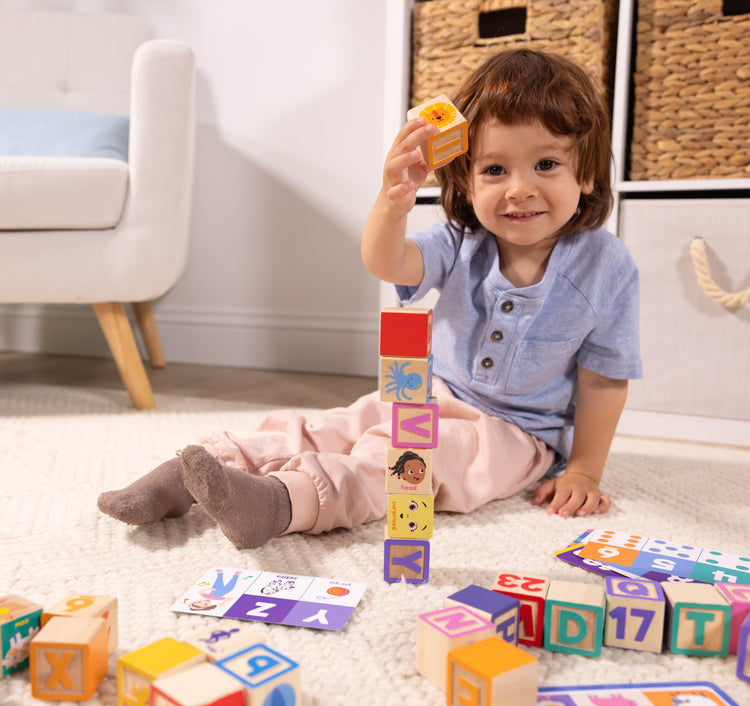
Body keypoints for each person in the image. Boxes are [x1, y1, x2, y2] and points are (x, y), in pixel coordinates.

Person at [97, 48, 641, 549]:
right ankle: (189, 474)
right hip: (428, 394)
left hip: (517, 435)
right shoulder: (461, 242)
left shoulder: (607, 267)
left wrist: (584, 471)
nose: (519, 188)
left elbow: (604, 378)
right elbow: (388, 261)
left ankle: (283, 503)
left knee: (406, 462)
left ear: (586, 174)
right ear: (467, 184)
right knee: (334, 424)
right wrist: (392, 200)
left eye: (546, 165)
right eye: (495, 170)